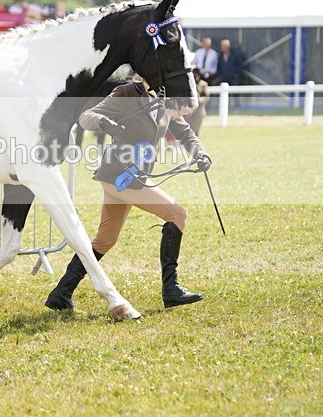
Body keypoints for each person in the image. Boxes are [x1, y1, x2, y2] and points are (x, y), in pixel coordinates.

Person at [45, 77, 212, 312]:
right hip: (119, 176)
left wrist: (200, 154)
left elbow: (184, 131)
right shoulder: (126, 93)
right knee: (177, 214)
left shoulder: (164, 99)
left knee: (104, 241)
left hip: (133, 177)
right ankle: (171, 290)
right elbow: (86, 117)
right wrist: (105, 123)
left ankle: (60, 294)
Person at [185, 68, 210, 136]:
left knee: (196, 128)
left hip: (199, 109)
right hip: (190, 109)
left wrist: (200, 100)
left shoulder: (203, 84)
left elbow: (206, 96)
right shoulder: (189, 83)